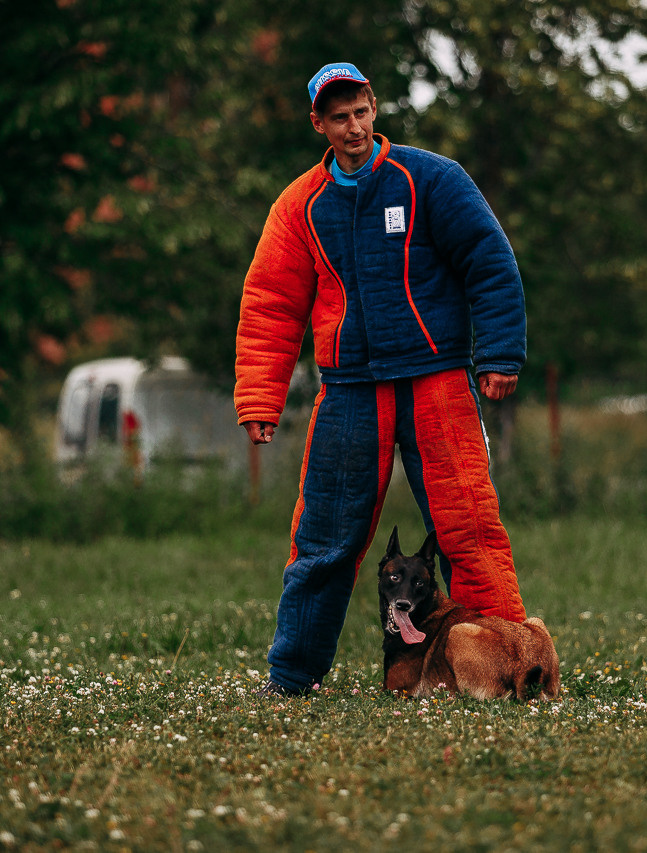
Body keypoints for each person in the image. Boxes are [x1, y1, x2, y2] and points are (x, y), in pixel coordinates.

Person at [235, 61, 529, 697]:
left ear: (375, 106)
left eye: (361, 110)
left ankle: (510, 668)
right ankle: (292, 679)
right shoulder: (299, 205)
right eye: (338, 117)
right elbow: (271, 303)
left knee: (469, 531)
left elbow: (489, 260)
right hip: (349, 392)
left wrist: (499, 354)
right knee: (322, 544)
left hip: (437, 381)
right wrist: (261, 395)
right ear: (319, 124)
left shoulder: (432, 179)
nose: (353, 126)